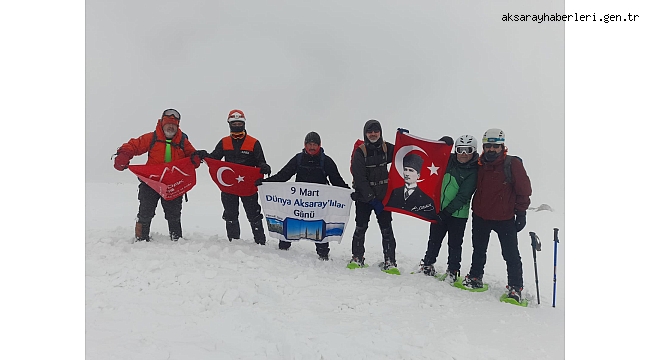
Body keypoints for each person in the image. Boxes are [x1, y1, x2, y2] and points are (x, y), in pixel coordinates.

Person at [462, 128, 532, 303]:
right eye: (488, 146)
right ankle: (475, 277)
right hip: (480, 216)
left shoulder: (512, 164)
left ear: (502, 146)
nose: (491, 149)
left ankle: (515, 288)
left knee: (510, 254)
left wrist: (521, 213)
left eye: (495, 146)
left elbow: (524, 190)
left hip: (505, 218)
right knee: (478, 250)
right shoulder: (479, 164)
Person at [261, 131, 350, 260]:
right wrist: (265, 183)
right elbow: (283, 175)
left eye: (315, 144)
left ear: (320, 145)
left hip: (318, 204)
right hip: (298, 202)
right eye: (309, 144)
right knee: (291, 222)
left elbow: (337, 180)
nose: (312, 147)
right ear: (305, 145)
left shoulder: (326, 161)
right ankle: (284, 248)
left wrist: (348, 192)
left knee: (319, 226)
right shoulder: (298, 159)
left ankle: (323, 254)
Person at [113, 109, 198, 242]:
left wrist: (197, 157)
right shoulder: (152, 138)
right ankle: (141, 237)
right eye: (168, 124)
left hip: (172, 185)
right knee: (145, 211)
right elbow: (134, 145)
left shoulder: (183, 141)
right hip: (150, 182)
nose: (170, 127)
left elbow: (193, 156)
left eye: (174, 125)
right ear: (162, 124)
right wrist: (124, 154)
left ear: (178, 126)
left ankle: (176, 239)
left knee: (174, 214)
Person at [194, 109, 271, 245]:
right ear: (229, 124)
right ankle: (233, 242)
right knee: (230, 214)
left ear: (244, 124)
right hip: (229, 186)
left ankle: (260, 242)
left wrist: (264, 166)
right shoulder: (224, 142)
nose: (236, 126)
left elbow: (260, 161)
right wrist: (204, 155)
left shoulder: (253, 143)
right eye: (233, 123)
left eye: (239, 123)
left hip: (247, 185)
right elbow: (214, 159)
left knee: (254, 214)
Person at [419, 135, 479, 282]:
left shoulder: (473, 170)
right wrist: (442, 142)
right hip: (439, 210)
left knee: (454, 243)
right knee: (434, 239)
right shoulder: (449, 161)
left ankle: (453, 270)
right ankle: (428, 264)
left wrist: (446, 213)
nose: (463, 154)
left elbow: (463, 195)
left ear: (474, 151)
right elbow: (435, 155)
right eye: (460, 149)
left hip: (458, 214)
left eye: (468, 150)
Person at [349, 119, 398, 272]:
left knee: (386, 229)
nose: (373, 134)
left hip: (383, 197)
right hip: (364, 198)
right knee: (360, 227)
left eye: (376, 131)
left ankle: (390, 261)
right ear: (365, 133)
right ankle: (357, 257)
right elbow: (360, 178)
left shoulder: (386, 148)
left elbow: (404, 154)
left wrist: (404, 139)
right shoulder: (360, 151)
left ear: (380, 132)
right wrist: (371, 198)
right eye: (370, 131)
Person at [385, 152, 437, 219]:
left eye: (411, 170)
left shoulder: (426, 200)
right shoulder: (394, 192)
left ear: (418, 175)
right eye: (405, 169)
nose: (407, 173)